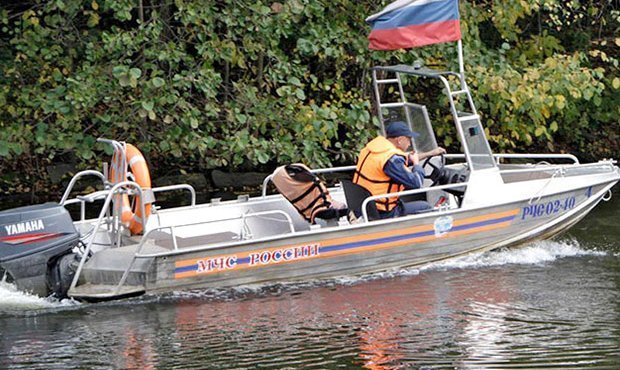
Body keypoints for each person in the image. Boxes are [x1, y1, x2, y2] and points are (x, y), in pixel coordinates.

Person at [353, 121, 446, 218]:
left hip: (367, 207)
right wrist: (416, 164)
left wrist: (429, 154)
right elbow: (416, 183)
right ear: (400, 140)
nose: (409, 144)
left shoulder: (375, 150)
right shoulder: (392, 160)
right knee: (425, 207)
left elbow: (404, 160)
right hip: (384, 213)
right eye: (409, 139)